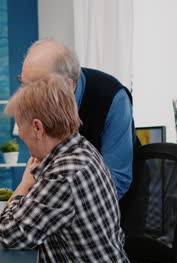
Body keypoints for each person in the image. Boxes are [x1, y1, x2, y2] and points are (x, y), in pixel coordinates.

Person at [0, 74, 129, 263]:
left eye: (20, 128)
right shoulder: (82, 148)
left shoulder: (63, 173)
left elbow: (11, 234)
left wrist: (24, 185)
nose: (20, 136)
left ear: (37, 128)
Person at [18, 39, 138, 199]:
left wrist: (55, 204)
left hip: (109, 208)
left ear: (68, 85)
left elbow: (116, 180)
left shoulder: (112, 98)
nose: (28, 95)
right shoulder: (40, 102)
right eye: (24, 84)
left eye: (37, 86)